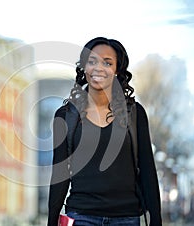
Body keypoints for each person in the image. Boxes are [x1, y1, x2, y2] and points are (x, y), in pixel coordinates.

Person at [47, 37, 162, 226]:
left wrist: (156, 220)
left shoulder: (134, 114)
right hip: (81, 216)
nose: (98, 68)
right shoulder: (65, 116)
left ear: (117, 70)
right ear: (84, 67)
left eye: (107, 63)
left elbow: (148, 171)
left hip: (126, 218)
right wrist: (51, 222)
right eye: (92, 62)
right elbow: (59, 176)